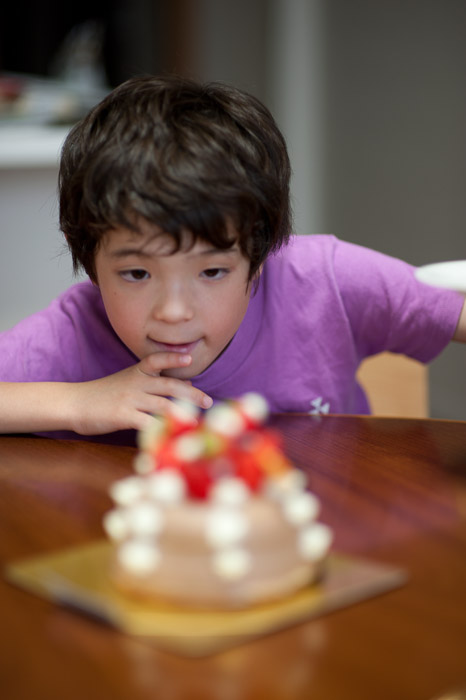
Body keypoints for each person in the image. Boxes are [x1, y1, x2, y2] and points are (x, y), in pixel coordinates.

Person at [0, 75, 465, 443]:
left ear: (260, 253)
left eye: (213, 271)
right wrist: (76, 404)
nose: (175, 312)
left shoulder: (325, 280)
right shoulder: (73, 335)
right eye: (137, 273)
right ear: (89, 256)